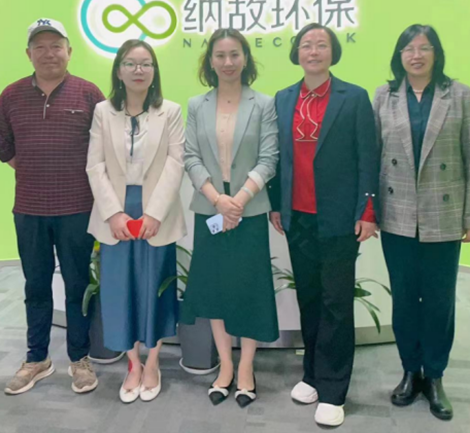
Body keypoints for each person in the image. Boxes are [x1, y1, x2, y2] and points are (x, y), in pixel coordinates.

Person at [268, 23, 379, 427]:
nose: (313, 51)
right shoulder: (283, 98)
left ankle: (333, 390)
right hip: (297, 216)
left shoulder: (354, 97)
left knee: (336, 302)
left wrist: (368, 210)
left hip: (339, 218)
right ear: (296, 52)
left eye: (321, 45)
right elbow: (278, 158)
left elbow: (368, 156)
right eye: (306, 45)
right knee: (310, 298)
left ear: (333, 53)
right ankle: (312, 374)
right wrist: (277, 205)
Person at [373, 24, 470, 421]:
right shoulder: (383, 96)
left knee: (439, 301)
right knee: (404, 299)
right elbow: (373, 155)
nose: (416, 55)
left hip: (444, 214)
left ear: (436, 53)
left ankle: (435, 375)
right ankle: (410, 371)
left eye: (424, 48)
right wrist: (369, 211)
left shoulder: (460, 95)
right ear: (399, 55)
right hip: (397, 214)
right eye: (409, 48)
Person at [0, 18, 104, 396]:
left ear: (69, 51)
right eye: (39, 47)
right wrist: (39, 170)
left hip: (78, 208)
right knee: (36, 285)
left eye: (56, 46)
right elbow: (4, 148)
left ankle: (80, 358)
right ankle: (36, 358)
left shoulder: (89, 94)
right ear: (28, 54)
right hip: (29, 209)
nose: (48, 53)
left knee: (77, 285)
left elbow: (103, 149)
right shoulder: (11, 96)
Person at [180, 28, 279, 408]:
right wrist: (218, 199)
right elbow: (191, 157)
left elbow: (269, 158)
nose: (227, 62)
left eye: (234, 54)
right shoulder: (196, 104)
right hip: (211, 210)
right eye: (220, 55)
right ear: (210, 61)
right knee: (216, 290)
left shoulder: (263, 104)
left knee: (248, 291)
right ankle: (225, 366)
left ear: (245, 58)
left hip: (248, 211)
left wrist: (237, 201)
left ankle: (247, 367)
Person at [86, 39, 186, 403]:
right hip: (115, 212)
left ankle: (153, 362)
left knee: (153, 286)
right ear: (119, 70)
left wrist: (155, 213)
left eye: (146, 64)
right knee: (119, 289)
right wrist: (113, 213)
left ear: (155, 71)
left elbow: (175, 163)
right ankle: (133, 364)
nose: (138, 70)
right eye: (130, 63)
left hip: (157, 212)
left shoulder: (170, 111)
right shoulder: (102, 111)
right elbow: (95, 164)